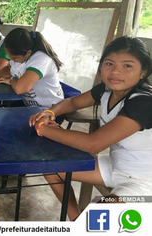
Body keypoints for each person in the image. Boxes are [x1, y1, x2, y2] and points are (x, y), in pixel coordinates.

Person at [29, 36, 152, 221]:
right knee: (53, 169)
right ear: (101, 66)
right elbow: (72, 101)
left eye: (127, 66)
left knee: (95, 220)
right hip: (116, 167)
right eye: (109, 63)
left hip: (144, 181)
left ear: (143, 72)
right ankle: (76, 221)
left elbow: (92, 144)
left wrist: (43, 128)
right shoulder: (106, 90)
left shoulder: (143, 102)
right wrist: (50, 113)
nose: (116, 72)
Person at [0, 28, 64, 114]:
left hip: (49, 110)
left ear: (28, 53)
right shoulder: (20, 57)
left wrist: (11, 80)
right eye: (10, 57)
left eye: (14, 58)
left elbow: (20, 89)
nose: (11, 60)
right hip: (29, 105)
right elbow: (9, 69)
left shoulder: (41, 59)